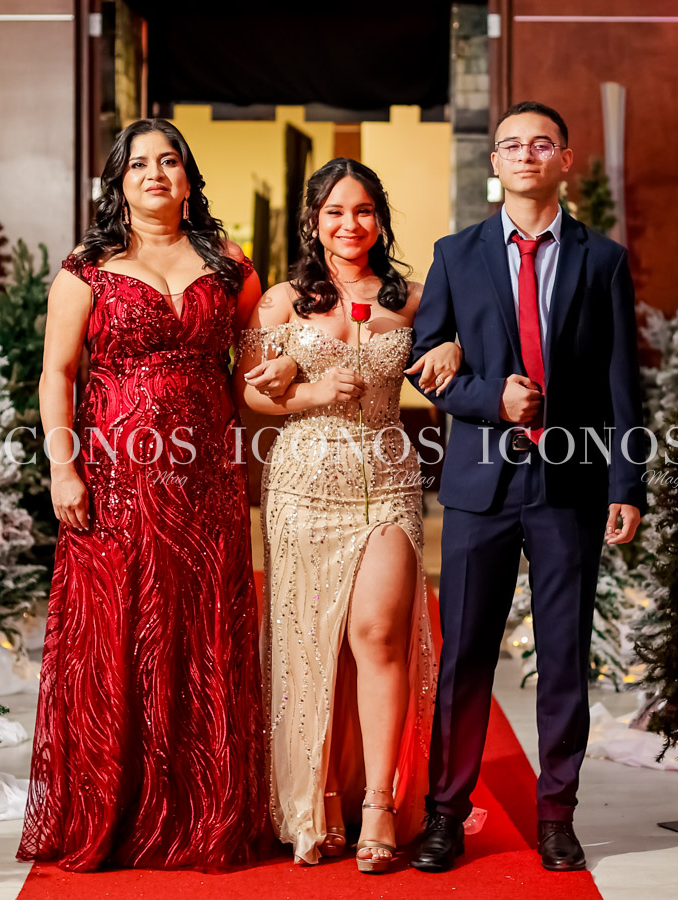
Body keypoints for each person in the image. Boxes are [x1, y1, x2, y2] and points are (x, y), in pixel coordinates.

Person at [17, 118, 296, 871]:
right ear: (119, 182)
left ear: (188, 178)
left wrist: (280, 383)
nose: (155, 174)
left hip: (206, 478)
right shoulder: (86, 269)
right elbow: (57, 374)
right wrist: (63, 468)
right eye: (139, 163)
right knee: (118, 632)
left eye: (169, 161)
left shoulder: (230, 266)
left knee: (202, 632)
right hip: (115, 478)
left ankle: (206, 813)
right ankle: (114, 810)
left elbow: (253, 369)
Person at [408, 101, 646, 874]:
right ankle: (445, 815)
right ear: (495, 163)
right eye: (511, 144)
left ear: (564, 159)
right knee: (464, 658)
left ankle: (556, 815)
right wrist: (492, 399)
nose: (525, 154)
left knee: (564, 656)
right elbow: (427, 367)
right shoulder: (456, 254)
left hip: (571, 485)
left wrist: (628, 483)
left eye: (541, 143)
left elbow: (622, 383)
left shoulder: (602, 261)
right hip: (479, 485)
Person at [234, 158, 467, 872]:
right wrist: (306, 391)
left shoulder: (418, 300)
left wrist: (453, 344)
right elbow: (251, 393)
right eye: (335, 211)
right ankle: (319, 799)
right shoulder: (280, 302)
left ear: (380, 219)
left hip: (388, 477)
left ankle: (380, 804)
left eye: (363, 210)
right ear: (313, 220)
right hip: (303, 482)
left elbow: (468, 349)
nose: (350, 224)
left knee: (377, 633)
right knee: (313, 642)